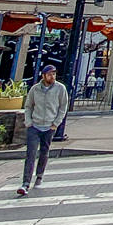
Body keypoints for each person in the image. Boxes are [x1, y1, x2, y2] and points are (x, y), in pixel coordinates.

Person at [18, 64, 69, 195]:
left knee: (44, 152)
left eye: (54, 74)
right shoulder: (35, 89)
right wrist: (28, 122)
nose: (52, 77)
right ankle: (25, 183)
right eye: (50, 74)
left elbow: (63, 107)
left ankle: (39, 175)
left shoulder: (60, 88)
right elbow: (28, 106)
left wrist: (56, 123)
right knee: (30, 154)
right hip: (35, 125)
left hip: (49, 126)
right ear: (44, 75)